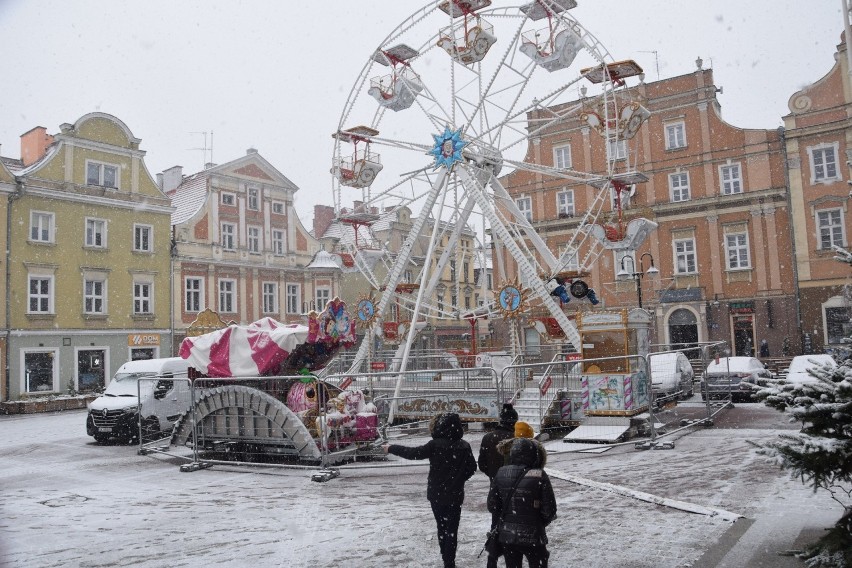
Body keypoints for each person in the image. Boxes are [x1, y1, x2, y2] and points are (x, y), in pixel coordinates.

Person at [383, 412, 476, 568]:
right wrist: (459, 479)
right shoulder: (464, 446)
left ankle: (445, 557)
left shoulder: (435, 445)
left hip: (437, 494)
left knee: (442, 526)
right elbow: (472, 467)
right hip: (455, 494)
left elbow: (413, 453)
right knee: (452, 528)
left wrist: (392, 448)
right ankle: (449, 561)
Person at [488, 437, 557, 568]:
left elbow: (492, 505)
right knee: (538, 563)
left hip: (508, 535)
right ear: (534, 455)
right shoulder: (539, 474)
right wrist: (538, 522)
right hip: (534, 535)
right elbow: (550, 510)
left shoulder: (501, 472)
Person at [477, 403, 518, 568]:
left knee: (496, 526)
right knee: (516, 528)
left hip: (496, 489)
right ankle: (512, 561)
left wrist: (494, 477)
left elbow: (482, 464)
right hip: (517, 491)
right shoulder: (518, 439)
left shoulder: (488, 438)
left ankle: (491, 561)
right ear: (514, 421)